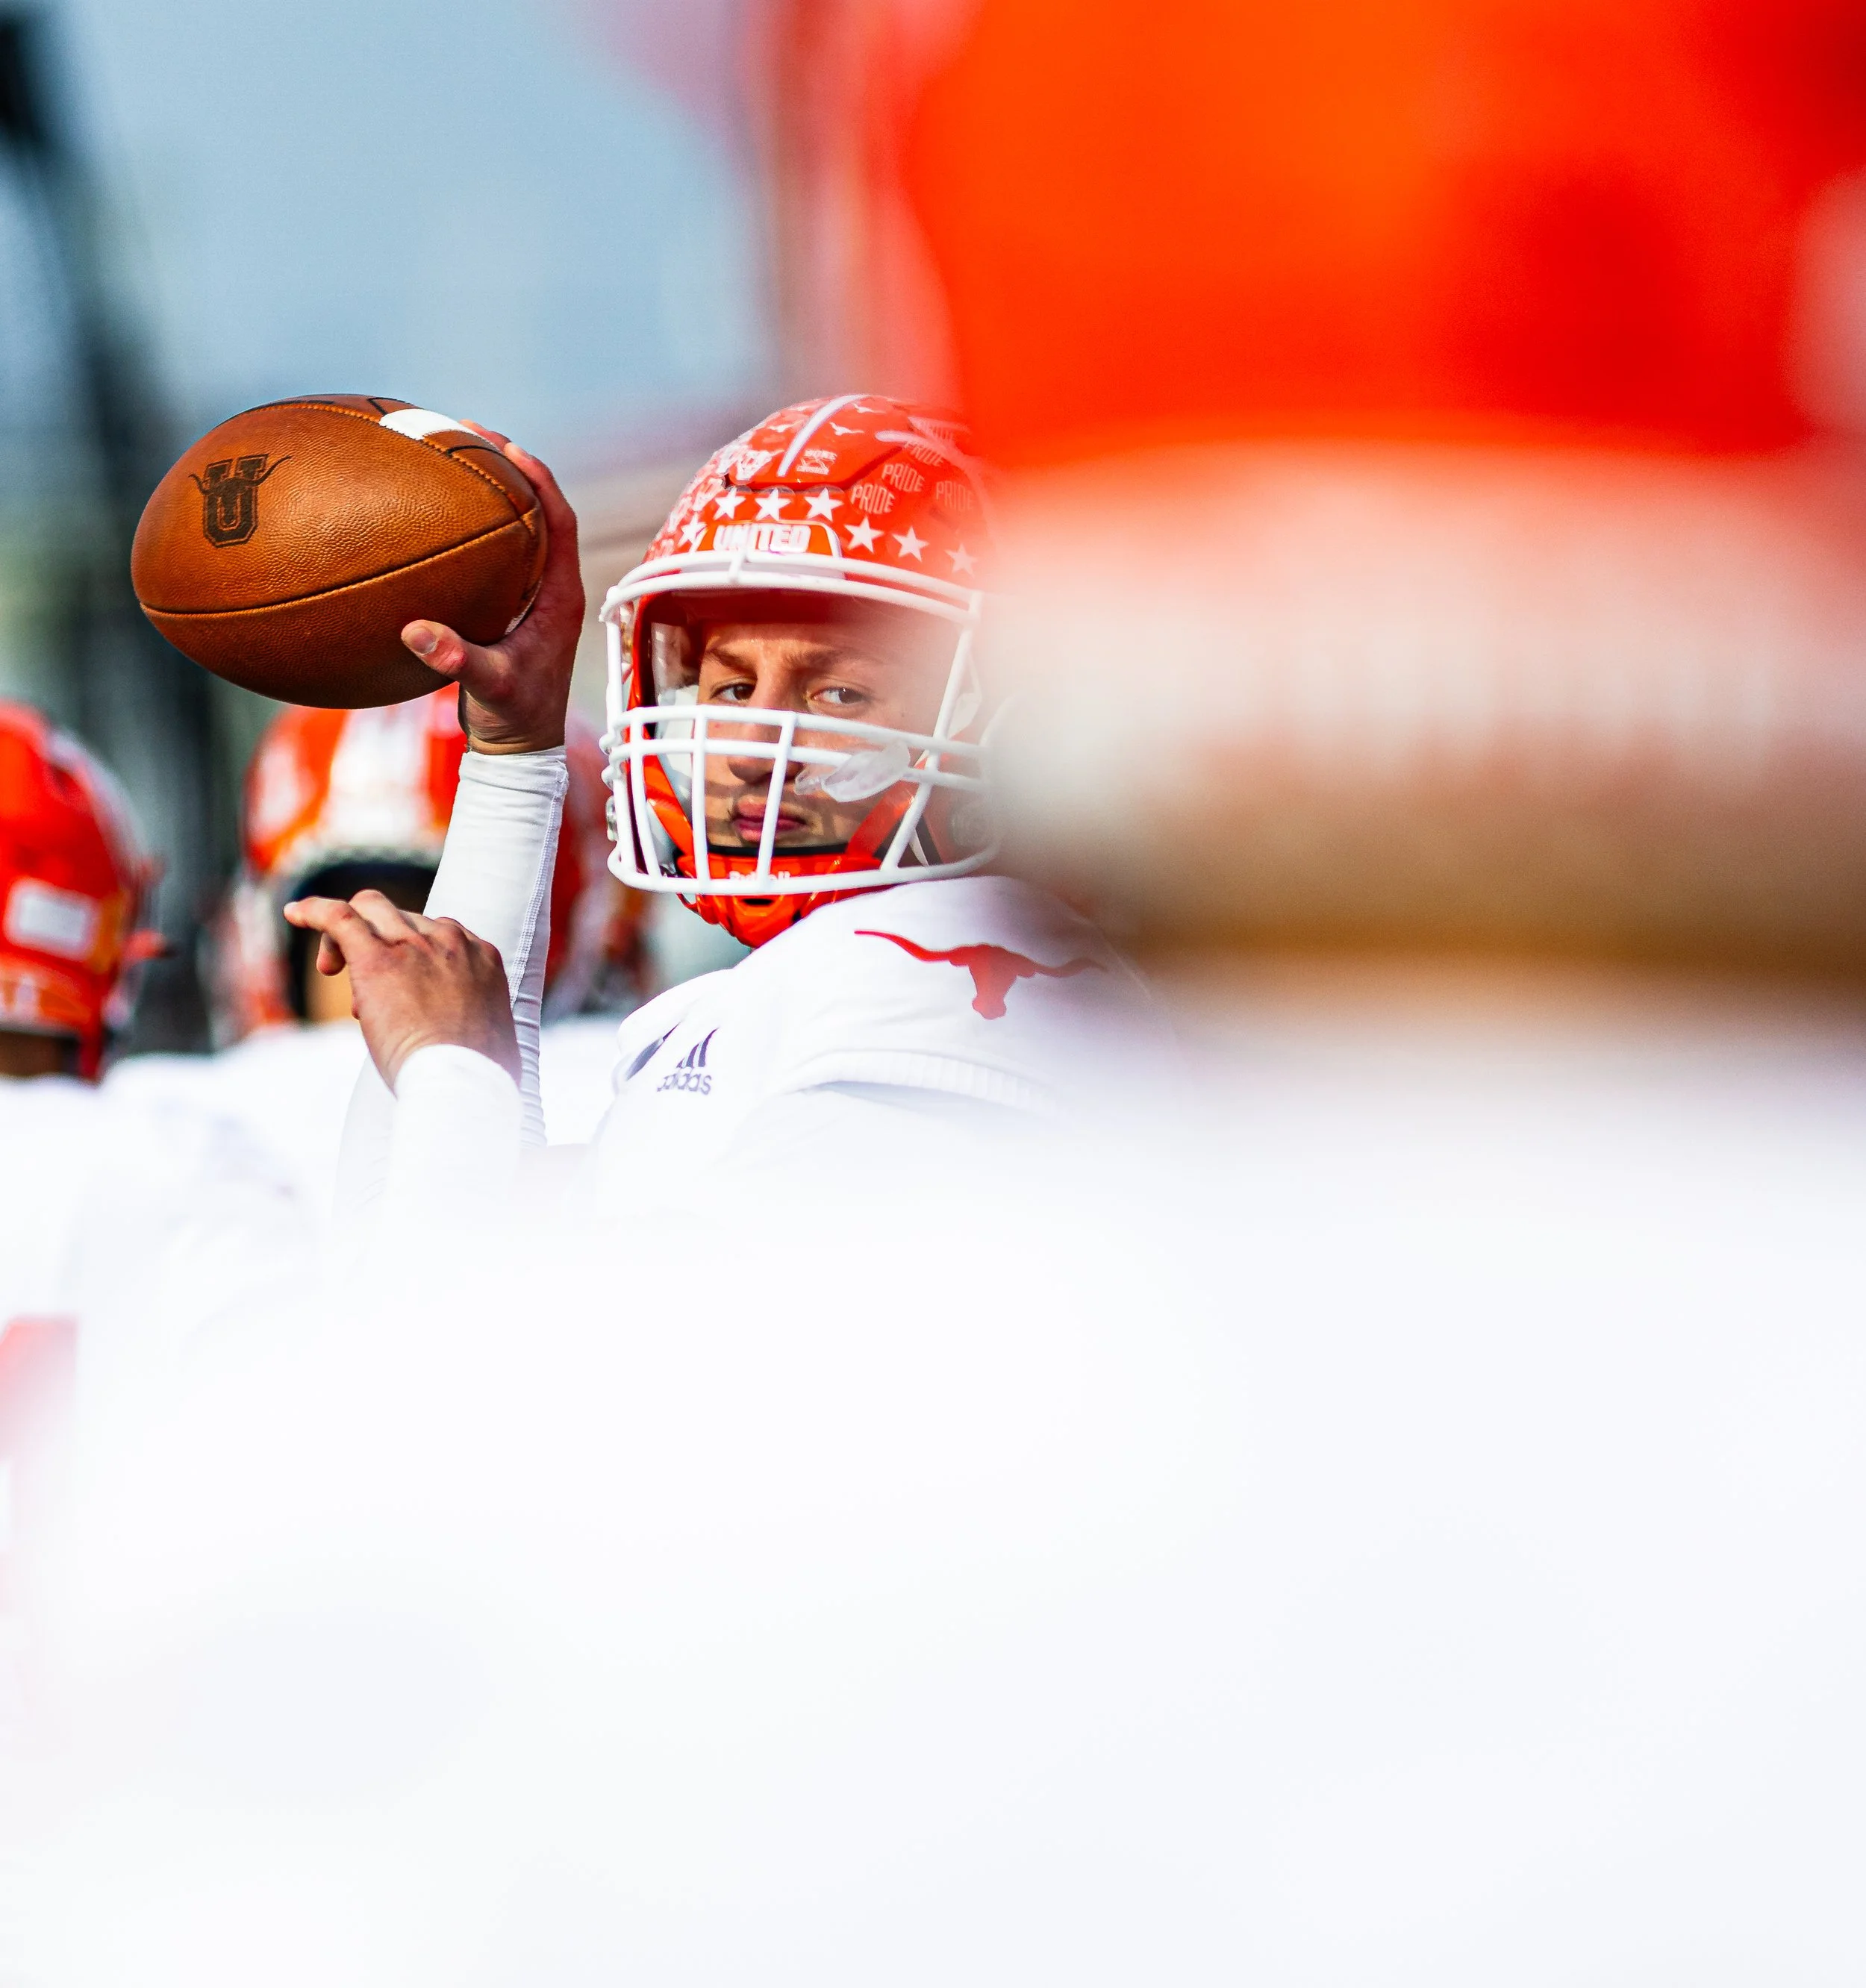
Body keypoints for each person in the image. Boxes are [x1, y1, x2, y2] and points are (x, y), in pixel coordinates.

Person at [288, 398, 1162, 1237]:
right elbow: (400, 1239)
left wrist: (453, 1073)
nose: (750, 747)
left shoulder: (951, 983)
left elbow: (445, 1346)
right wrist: (514, 752)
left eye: (839, 690)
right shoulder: (830, 982)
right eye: (732, 686)